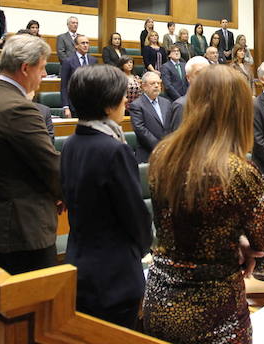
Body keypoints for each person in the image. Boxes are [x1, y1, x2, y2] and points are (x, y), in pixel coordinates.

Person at [142, 65, 264, 344]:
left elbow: (182, 226)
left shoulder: (161, 157)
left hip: (159, 301)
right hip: (215, 312)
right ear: (240, 112)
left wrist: (231, 238)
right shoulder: (240, 172)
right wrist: (241, 244)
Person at [61, 64, 152, 328]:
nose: (126, 100)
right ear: (106, 103)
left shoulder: (70, 144)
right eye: (121, 94)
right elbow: (135, 214)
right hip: (114, 275)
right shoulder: (114, 150)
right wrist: (145, 247)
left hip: (79, 265)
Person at [0, 34, 61, 275]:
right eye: (42, 68)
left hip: (2, 220)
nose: (44, 75)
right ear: (25, 68)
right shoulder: (19, 108)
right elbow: (51, 167)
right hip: (24, 228)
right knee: (36, 307)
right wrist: (65, 191)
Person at [128, 71, 173, 162]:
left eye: (158, 83)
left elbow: (171, 126)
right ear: (144, 86)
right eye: (153, 83)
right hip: (148, 154)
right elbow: (140, 129)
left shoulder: (166, 102)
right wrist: (159, 147)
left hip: (168, 153)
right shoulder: (136, 105)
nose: (157, 86)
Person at [60, 34, 98, 118]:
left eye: (87, 43)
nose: (85, 45)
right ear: (76, 45)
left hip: (91, 104)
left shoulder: (93, 60)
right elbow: (64, 86)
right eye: (83, 43)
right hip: (74, 104)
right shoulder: (68, 61)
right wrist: (66, 107)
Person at [168, 55, 209, 129]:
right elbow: (179, 138)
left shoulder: (216, 100)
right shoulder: (181, 106)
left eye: (206, 72)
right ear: (188, 78)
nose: (203, 76)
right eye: (198, 73)